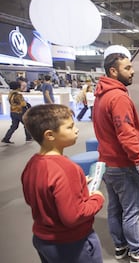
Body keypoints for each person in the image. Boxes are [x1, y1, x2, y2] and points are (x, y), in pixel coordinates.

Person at [92, 45, 139, 263]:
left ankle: (120, 247)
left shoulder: (101, 95)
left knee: (115, 208)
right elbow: (126, 134)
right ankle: (138, 251)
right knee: (132, 210)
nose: (133, 71)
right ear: (113, 71)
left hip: (107, 163)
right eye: (128, 68)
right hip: (123, 165)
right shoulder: (118, 98)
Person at [21, 104, 105, 263]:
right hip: (71, 244)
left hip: (43, 240)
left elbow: (34, 196)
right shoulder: (66, 168)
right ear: (50, 135)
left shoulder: (32, 164)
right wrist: (97, 198)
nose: (76, 130)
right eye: (70, 127)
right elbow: (73, 217)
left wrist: (77, 185)